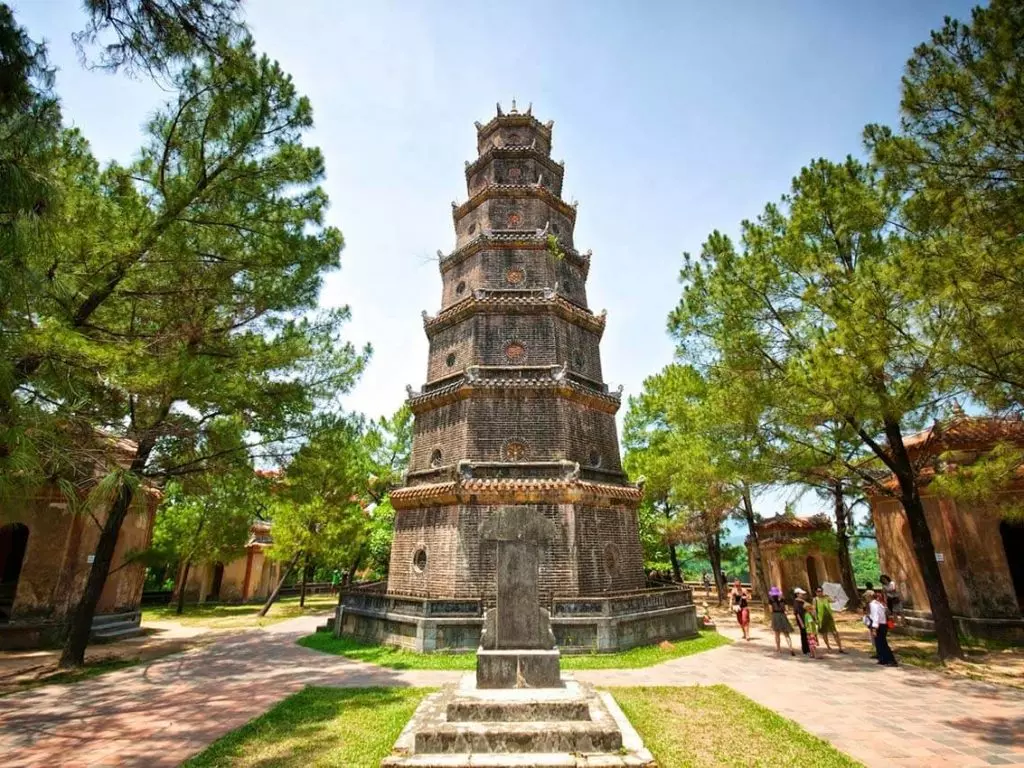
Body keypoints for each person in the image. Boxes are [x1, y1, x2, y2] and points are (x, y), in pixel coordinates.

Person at [868, 589, 898, 666]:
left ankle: (891, 660)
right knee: (879, 643)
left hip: (879, 625)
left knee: (882, 643)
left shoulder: (874, 605)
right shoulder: (879, 604)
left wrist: (874, 628)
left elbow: (876, 616)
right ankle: (883, 659)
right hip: (883, 625)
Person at [812, 586, 845, 653]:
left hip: (829, 617)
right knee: (824, 633)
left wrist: (835, 597)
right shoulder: (815, 600)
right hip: (821, 618)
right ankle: (828, 647)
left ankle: (840, 648)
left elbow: (833, 601)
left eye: (821, 591)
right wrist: (815, 619)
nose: (820, 592)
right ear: (816, 592)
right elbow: (814, 610)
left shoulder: (826, 597)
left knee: (835, 632)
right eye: (818, 591)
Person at [768, 586, 795, 656]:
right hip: (783, 615)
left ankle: (778, 648)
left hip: (775, 616)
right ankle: (791, 648)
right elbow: (787, 609)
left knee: (777, 634)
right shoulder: (783, 599)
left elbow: (770, 610)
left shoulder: (771, 600)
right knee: (786, 634)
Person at [793, 587, 811, 655]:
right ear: (797, 594)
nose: (803, 595)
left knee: (808, 633)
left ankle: (809, 648)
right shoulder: (796, 602)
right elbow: (797, 613)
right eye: (801, 594)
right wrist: (801, 623)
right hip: (801, 620)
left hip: (806, 619)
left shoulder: (803, 601)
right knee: (804, 634)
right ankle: (805, 649)